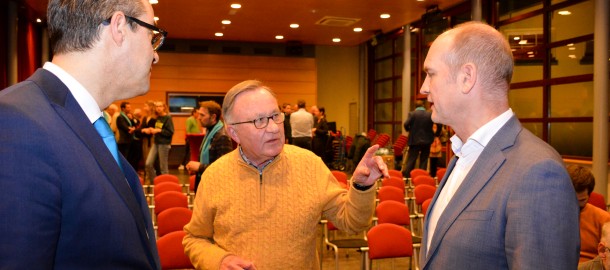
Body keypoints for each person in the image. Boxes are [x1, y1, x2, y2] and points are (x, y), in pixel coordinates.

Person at [0, 0, 165, 267]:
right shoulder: (17, 123)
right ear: (119, 27)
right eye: (152, 36)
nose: (155, 54)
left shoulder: (80, 122)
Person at [419, 21, 579, 269]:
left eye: (431, 74)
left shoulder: (538, 171)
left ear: (467, 78)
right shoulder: (463, 154)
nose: (423, 88)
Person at [183, 80, 389, 270]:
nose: (273, 128)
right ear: (234, 133)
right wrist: (219, 261)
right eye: (259, 121)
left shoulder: (310, 165)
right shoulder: (215, 176)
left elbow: (353, 222)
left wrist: (362, 187)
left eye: (275, 116)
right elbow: (194, 239)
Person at [185, 100, 233, 193]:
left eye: (202, 115)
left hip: (215, 190)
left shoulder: (222, 136)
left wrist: (199, 167)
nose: (198, 118)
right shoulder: (210, 132)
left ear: (213, 117)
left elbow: (224, 170)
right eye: (199, 114)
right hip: (206, 185)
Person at [568, 164, 610, 262]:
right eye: (571, 199)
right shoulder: (553, 214)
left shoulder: (603, 219)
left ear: (589, 195)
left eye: (581, 200)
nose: (576, 204)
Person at [402, 99, 434, 177]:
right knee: (424, 160)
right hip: (427, 140)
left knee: (412, 159)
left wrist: (409, 130)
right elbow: (439, 125)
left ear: (415, 106)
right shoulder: (429, 114)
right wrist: (436, 133)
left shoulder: (412, 114)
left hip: (414, 140)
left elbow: (406, 124)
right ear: (423, 106)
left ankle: (407, 178)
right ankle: (421, 177)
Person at [145, 101, 174, 181]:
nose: (158, 108)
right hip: (156, 142)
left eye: (160, 106)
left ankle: (166, 184)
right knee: (148, 163)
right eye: (157, 106)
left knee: (163, 167)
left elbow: (170, 132)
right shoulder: (157, 117)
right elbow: (157, 129)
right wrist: (152, 130)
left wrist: (159, 130)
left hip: (164, 144)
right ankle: (155, 181)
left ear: (164, 107)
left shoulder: (168, 118)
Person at [117, 101, 136, 166]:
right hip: (123, 140)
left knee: (128, 158)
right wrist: (130, 129)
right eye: (128, 107)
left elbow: (134, 125)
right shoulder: (120, 117)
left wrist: (132, 120)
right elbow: (125, 127)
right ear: (123, 108)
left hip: (128, 140)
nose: (130, 109)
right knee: (124, 158)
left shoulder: (127, 117)